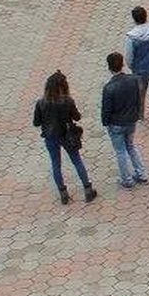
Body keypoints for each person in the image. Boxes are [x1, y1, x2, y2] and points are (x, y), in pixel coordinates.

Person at [32, 70, 98, 204]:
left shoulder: (41, 103)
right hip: (67, 136)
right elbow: (77, 117)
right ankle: (87, 189)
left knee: (56, 164)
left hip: (50, 137)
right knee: (77, 161)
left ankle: (63, 193)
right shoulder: (68, 101)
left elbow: (36, 122)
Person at [100, 52, 149, 189]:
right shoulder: (134, 80)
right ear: (122, 64)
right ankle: (142, 173)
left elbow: (106, 109)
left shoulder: (109, 88)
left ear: (109, 67)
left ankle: (126, 179)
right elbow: (138, 98)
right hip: (131, 120)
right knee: (131, 146)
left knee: (120, 151)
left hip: (116, 123)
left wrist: (105, 122)